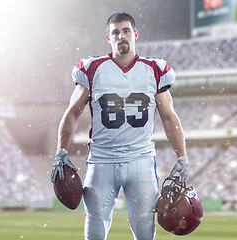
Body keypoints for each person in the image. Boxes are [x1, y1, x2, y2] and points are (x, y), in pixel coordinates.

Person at [50, 12, 188, 240]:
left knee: (145, 226)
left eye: (125, 31)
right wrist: (61, 150)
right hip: (102, 159)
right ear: (108, 38)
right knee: (95, 222)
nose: (121, 36)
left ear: (135, 34)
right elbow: (73, 111)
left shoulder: (154, 69)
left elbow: (169, 117)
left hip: (141, 159)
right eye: (115, 32)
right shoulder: (93, 68)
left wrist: (182, 156)